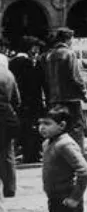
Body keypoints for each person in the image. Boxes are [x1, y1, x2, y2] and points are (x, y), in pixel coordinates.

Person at [41, 28, 86, 152]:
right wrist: (84, 92)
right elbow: (75, 77)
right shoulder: (69, 53)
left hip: (55, 97)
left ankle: (60, 153)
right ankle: (77, 153)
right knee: (76, 127)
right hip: (71, 97)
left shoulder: (49, 55)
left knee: (59, 127)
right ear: (68, 39)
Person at [9, 37, 46, 163]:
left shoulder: (12, 62)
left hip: (21, 101)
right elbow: (34, 83)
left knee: (25, 128)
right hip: (31, 101)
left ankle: (27, 153)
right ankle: (32, 154)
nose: (37, 51)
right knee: (32, 128)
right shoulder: (26, 63)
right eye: (35, 48)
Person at [0, 56, 20, 198]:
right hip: (7, 117)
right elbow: (17, 100)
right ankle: (10, 188)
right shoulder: (9, 74)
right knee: (7, 153)